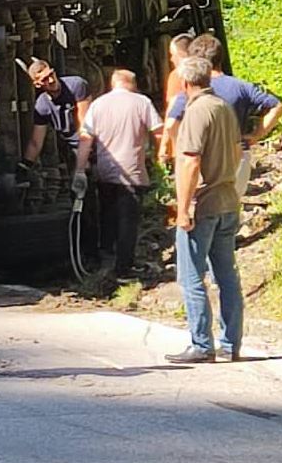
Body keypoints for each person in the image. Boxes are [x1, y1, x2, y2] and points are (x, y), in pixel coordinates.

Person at [165, 57, 244, 363]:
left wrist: (183, 209)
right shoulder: (224, 107)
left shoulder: (196, 111)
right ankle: (230, 343)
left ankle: (201, 344)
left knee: (191, 276)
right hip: (227, 198)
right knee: (227, 275)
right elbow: (237, 151)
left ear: (185, 84)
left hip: (204, 204)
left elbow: (190, 160)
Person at [161, 33, 282, 196]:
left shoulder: (192, 90)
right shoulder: (241, 86)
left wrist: (183, 148)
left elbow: (170, 124)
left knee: (205, 212)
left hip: (205, 160)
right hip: (238, 155)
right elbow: (276, 105)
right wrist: (257, 134)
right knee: (233, 207)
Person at [72, 70, 163, 281]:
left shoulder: (98, 105)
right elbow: (159, 132)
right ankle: (124, 268)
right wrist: (165, 155)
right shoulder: (141, 102)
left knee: (109, 217)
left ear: (113, 84)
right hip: (132, 172)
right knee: (128, 222)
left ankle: (107, 262)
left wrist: (79, 170)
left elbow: (85, 139)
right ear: (132, 83)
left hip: (105, 173)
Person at [23, 59, 92, 164]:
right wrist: (26, 164)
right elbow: (36, 142)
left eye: (51, 74)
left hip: (93, 142)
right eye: (45, 79)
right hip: (71, 146)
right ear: (37, 84)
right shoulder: (42, 105)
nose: (51, 80)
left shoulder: (76, 85)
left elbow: (85, 123)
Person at [157, 34, 191, 163]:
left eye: (173, 54)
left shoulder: (177, 76)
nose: (171, 59)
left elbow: (172, 113)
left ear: (181, 54)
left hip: (184, 143)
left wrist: (164, 145)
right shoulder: (207, 71)